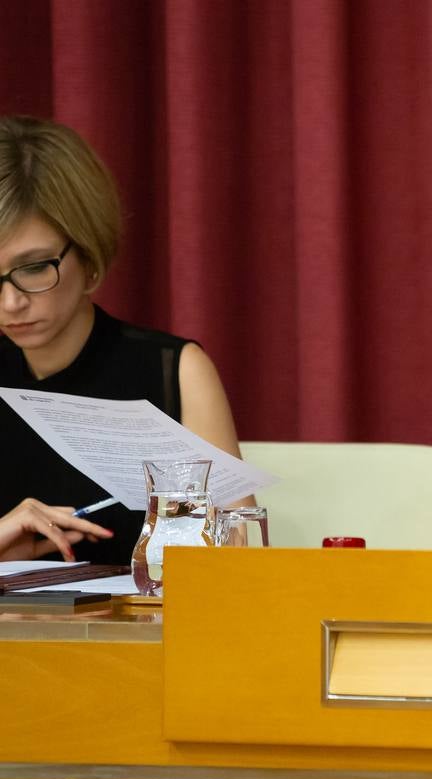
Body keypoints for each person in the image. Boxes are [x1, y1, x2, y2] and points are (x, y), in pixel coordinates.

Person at [0, 115, 247, 565]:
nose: (10, 302)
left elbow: (238, 557)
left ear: (89, 256)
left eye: (34, 267)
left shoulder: (172, 370)